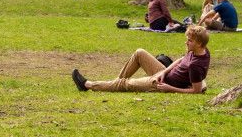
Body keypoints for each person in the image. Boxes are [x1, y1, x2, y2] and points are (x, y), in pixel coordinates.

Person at [72, 26, 210, 94]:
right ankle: (115, 84)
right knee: (139, 53)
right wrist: (164, 71)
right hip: (164, 75)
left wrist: (169, 88)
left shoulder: (195, 66)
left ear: (199, 43)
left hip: (161, 84)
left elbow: (196, 91)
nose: (186, 43)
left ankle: (87, 85)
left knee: (125, 84)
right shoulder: (201, 51)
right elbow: (180, 60)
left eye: (189, 41)